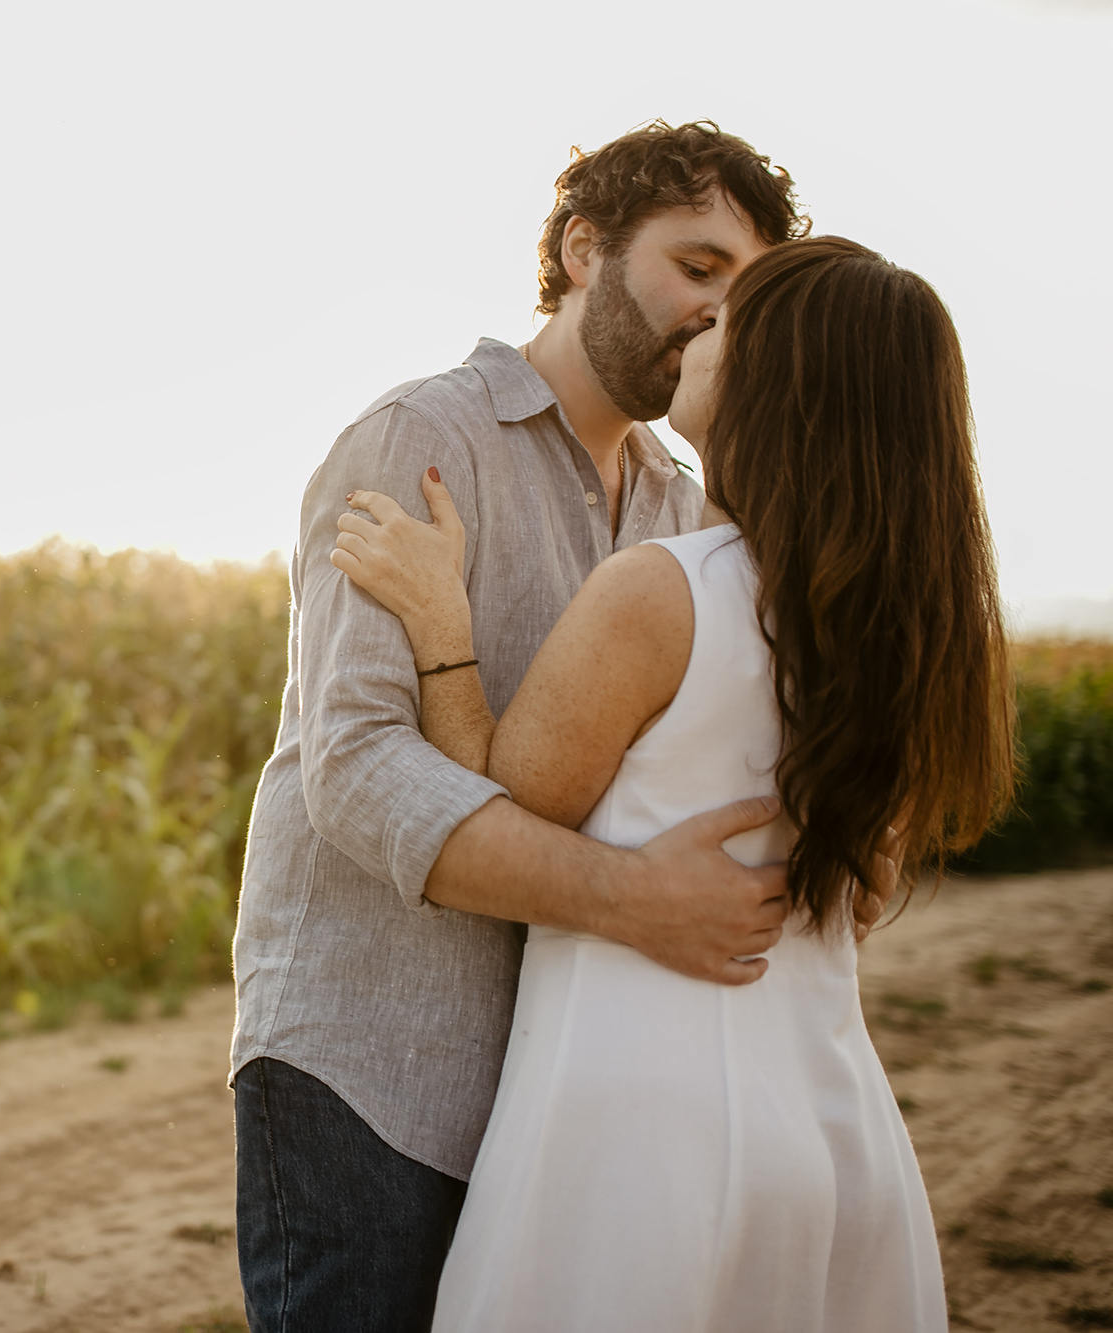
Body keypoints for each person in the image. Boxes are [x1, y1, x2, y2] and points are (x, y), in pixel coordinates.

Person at [334, 235, 1011, 1330]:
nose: (698, 331)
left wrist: (440, 629)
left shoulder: (659, 593)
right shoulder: (911, 638)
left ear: (775, 381)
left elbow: (500, 796)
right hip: (833, 1123)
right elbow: (870, 888)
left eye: (726, 319)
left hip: (637, 1125)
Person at [231, 120, 814, 1331]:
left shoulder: (683, 501)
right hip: (376, 1056)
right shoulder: (418, 437)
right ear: (581, 247)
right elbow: (354, 768)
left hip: (567, 1075)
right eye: (693, 268)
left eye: (738, 295)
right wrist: (630, 896)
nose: (713, 315)